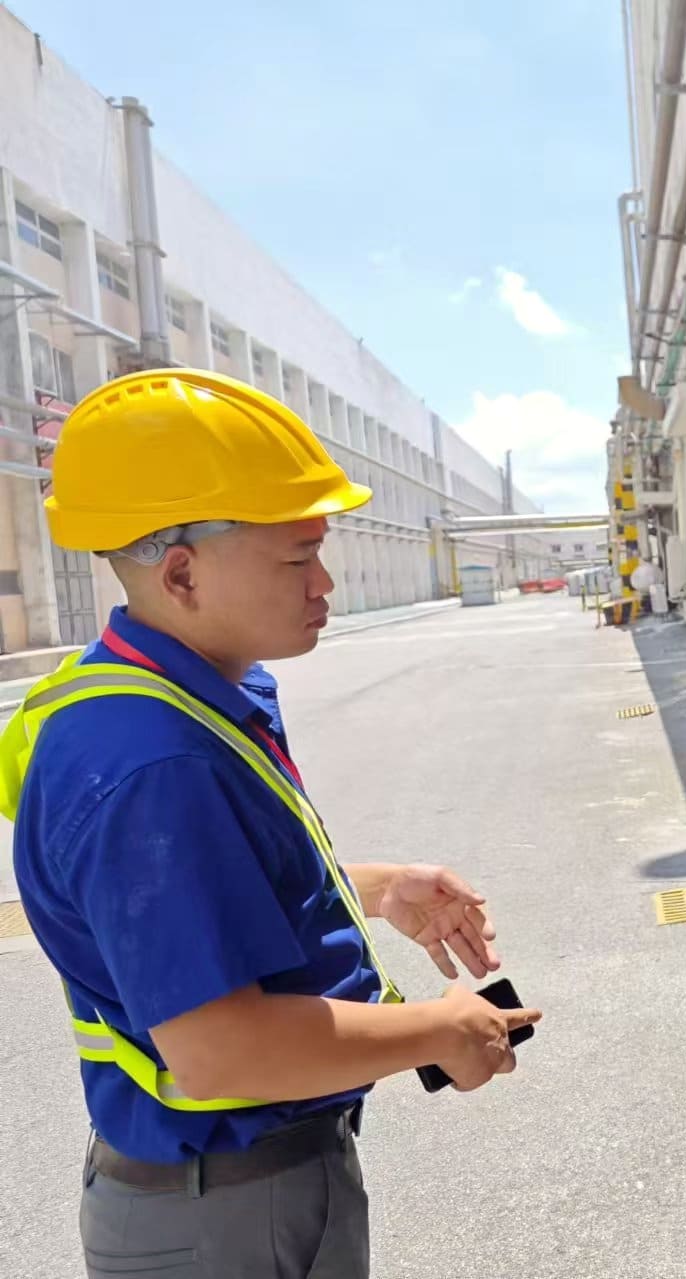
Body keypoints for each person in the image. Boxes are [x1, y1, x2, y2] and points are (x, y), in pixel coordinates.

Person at [1, 369, 542, 1278]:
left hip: (236, 1194)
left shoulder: (182, 694)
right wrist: (440, 1029)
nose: (325, 581)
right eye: (297, 558)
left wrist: (378, 889)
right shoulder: (151, 759)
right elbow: (220, 1051)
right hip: (227, 1216)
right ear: (181, 571)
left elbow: (211, 890)